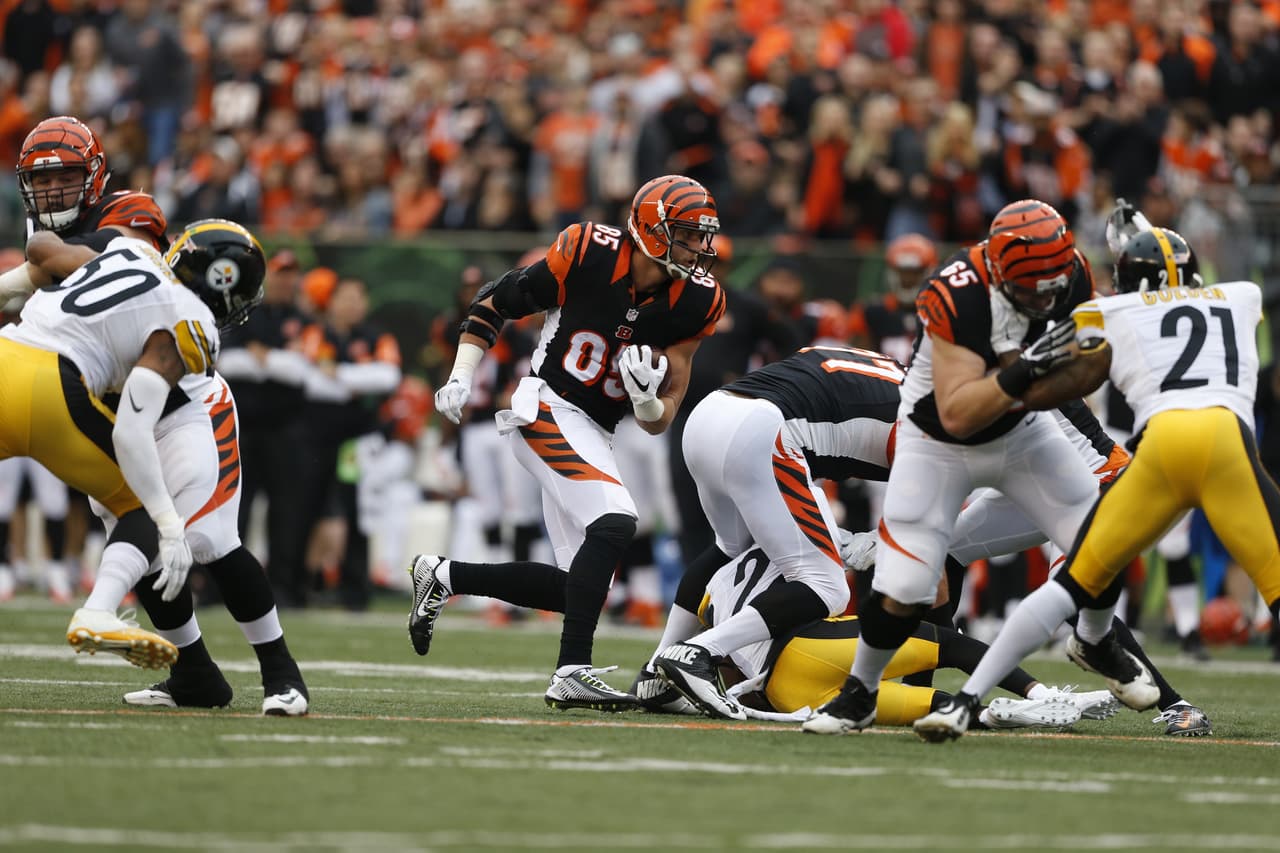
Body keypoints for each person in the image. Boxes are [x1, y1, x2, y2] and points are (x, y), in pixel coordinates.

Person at [911, 225, 1280, 741]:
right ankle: (925, 686)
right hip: (1037, 475)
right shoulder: (1237, 295)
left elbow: (1040, 387)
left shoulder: (1025, 337)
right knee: (946, 554)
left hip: (1087, 474)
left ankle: (1172, 702)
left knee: (1082, 587)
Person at [8, 117, 308, 715]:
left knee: (208, 541)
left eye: (67, 177)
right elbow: (40, 267)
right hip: (108, 398)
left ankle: (282, 673)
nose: (53, 193)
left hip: (184, 406)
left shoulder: (132, 221)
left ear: (95, 178)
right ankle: (195, 676)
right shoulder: (122, 263)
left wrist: (49, 262)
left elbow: (61, 261)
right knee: (140, 534)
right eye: (43, 181)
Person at [801, 199, 1122, 736]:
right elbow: (959, 411)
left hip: (1022, 428)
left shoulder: (1071, 276)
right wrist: (1031, 370)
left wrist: (1041, 381)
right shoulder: (955, 292)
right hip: (939, 440)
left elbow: (1091, 367)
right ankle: (861, 693)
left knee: (1103, 538)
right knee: (904, 586)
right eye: (1029, 288)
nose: (1042, 297)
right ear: (998, 272)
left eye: (1051, 286)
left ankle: (1095, 639)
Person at [410, 174, 725, 711]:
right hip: (547, 406)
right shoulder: (587, 251)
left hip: (599, 429)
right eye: (689, 234)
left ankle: (441, 575)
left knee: (575, 584)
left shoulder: (698, 300)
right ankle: (571, 671)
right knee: (617, 521)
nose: (701, 247)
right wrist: (462, 373)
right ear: (652, 230)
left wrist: (648, 400)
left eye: (703, 235)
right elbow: (494, 303)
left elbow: (660, 418)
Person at [0, 218, 253, 669]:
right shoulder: (193, 321)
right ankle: (98, 611)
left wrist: (14, 283)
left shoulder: (129, 252)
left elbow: (43, 251)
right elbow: (131, 430)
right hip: (49, 386)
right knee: (138, 506)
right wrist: (170, 523)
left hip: (7, 351)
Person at [646, 343, 902, 719]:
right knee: (827, 586)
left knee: (727, 548)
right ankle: (699, 652)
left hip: (710, 413)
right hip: (762, 431)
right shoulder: (932, 417)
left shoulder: (890, 371)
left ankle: (655, 674)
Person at [644, 544, 1120, 731]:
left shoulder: (711, 586)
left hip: (783, 693)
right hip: (810, 650)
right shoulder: (795, 534)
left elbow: (725, 663)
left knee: (934, 708)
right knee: (946, 641)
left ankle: (1006, 716)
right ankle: (1044, 694)